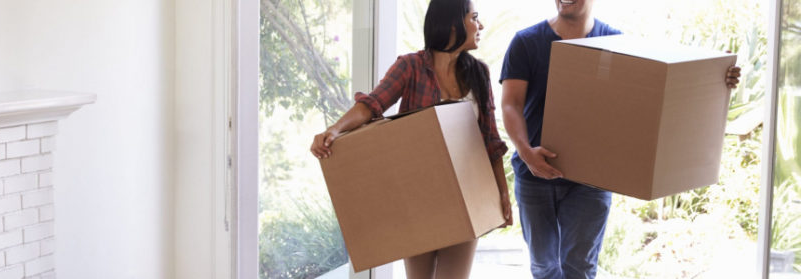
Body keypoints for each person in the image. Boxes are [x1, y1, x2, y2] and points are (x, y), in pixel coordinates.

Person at [498, 0, 743, 278]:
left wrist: (716, 75)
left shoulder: (618, 44)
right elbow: (511, 104)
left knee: (579, 267)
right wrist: (526, 151)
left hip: (592, 180)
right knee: (544, 266)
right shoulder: (526, 42)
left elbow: (658, 88)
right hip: (535, 174)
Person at [309, 0, 509, 278]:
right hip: (417, 196)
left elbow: (490, 139)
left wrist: (501, 193)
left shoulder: (479, 73)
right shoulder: (411, 67)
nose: (481, 25)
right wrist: (334, 130)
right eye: (474, 17)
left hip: (466, 196)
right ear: (453, 23)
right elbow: (372, 105)